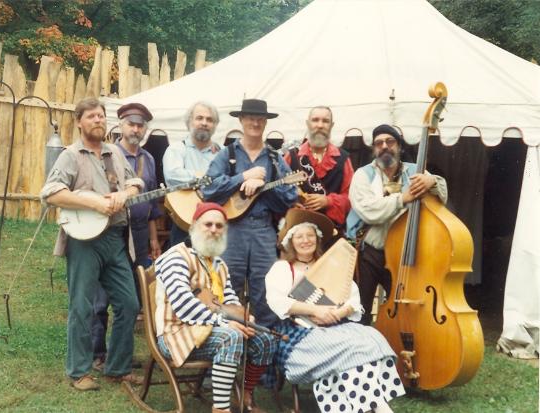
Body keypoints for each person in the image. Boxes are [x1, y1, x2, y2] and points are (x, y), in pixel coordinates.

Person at [40, 97, 143, 390]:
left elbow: (136, 182)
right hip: (84, 241)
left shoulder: (115, 153)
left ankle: (117, 368)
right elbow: (50, 193)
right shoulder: (71, 155)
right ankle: (79, 371)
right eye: (92, 116)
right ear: (80, 122)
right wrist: (93, 202)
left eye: (101, 116)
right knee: (82, 305)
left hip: (115, 239)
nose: (98, 120)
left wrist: (127, 192)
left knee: (129, 302)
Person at [265, 208, 405, 413]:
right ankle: (378, 408)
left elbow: (353, 301)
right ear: (290, 241)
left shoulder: (331, 265)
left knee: (371, 337)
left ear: (317, 239)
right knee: (351, 350)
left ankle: (369, 406)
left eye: (310, 236)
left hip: (335, 327)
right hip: (299, 335)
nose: (305, 241)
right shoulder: (283, 269)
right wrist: (315, 311)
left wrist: (337, 314)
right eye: (300, 237)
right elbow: (278, 301)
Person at [154, 202, 276, 413]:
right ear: (193, 226)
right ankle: (220, 409)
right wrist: (226, 323)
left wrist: (245, 320)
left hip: (210, 328)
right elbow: (184, 305)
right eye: (207, 224)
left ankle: (245, 396)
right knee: (230, 336)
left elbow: (229, 302)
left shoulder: (218, 263)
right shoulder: (175, 257)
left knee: (265, 339)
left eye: (219, 226)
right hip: (176, 334)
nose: (213, 230)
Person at [202, 98, 298, 328]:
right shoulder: (227, 155)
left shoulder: (275, 159)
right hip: (231, 230)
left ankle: (263, 357)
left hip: (263, 230)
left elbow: (289, 196)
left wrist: (262, 188)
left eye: (260, 118)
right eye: (251, 117)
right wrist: (243, 178)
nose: (255, 122)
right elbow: (208, 188)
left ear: (266, 123)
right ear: (241, 120)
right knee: (226, 289)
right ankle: (226, 347)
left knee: (266, 291)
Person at [347, 124, 448, 325]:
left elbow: (442, 192)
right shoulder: (362, 175)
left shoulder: (415, 171)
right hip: (370, 252)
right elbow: (369, 210)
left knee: (403, 309)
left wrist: (433, 182)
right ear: (374, 149)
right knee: (360, 312)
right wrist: (403, 198)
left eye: (390, 141)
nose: (384, 146)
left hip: (403, 254)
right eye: (379, 143)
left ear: (399, 147)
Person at [91, 102, 162, 371]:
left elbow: (153, 203)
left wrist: (154, 238)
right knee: (100, 299)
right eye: (131, 123)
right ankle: (97, 353)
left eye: (141, 124)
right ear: (120, 125)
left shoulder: (149, 159)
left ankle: (121, 355)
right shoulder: (107, 155)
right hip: (112, 232)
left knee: (131, 297)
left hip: (141, 235)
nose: (136, 128)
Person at [285, 106, 354, 232]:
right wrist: (293, 203)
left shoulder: (343, 159)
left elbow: (352, 197)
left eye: (325, 121)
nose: (320, 125)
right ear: (308, 124)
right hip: (298, 233)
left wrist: (329, 201)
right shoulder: (292, 156)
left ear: (331, 125)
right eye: (315, 120)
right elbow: (280, 190)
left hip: (331, 232)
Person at [162, 101, 221, 245]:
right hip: (185, 223)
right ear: (189, 122)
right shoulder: (176, 149)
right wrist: (203, 178)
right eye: (199, 118)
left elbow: (227, 182)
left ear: (214, 125)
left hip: (215, 225)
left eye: (209, 120)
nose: (204, 123)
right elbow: (173, 176)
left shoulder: (222, 153)